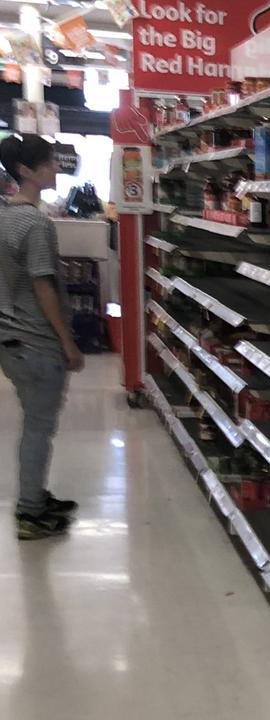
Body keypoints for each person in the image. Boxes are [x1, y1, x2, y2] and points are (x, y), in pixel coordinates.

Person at [0, 133, 82, 540]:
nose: (55, 168)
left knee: (35, 423)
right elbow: (43, 286)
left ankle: (35, 496)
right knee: (38, 428)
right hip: (36, 342)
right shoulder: (34, 223)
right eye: (48, 163)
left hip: (11, 341)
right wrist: (67, 342)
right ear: (25, 171)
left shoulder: (4, 217)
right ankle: (30, 513)